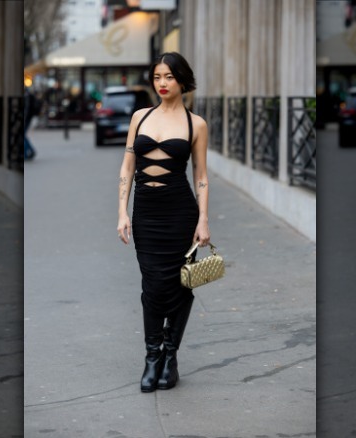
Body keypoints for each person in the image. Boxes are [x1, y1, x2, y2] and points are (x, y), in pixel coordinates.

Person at [117, 52, 210, 392]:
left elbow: (200, 175)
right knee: (153, 286)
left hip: (180, 213)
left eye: (169, 76)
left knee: (181, 286)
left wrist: (203, 219)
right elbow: (128, 166)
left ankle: (170, 357)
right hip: (146, 212)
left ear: (182, 80)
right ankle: (152, 357)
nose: (162, 83)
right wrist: (122, 212)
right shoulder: (139, 118)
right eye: (157, 77)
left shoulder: (195, 124)